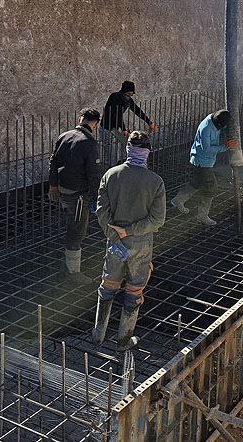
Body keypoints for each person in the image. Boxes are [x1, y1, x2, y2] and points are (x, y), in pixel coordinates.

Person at [91, 131, 166, 349]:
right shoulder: (155, 182)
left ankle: (98, 335)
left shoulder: (111, 175)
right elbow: (157, 220)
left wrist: (115, 234)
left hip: (114, 241)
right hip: (141, 244)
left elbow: (101, 211)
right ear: (147, 153)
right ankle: (123, 340)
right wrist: (131, 230)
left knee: (107, 286)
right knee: (134, 290)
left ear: (128, 150)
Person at [48, 108, 102, 285]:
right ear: (95, 124)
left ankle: (68, 264)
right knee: (76, 231)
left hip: (63, 189)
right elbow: (93, 175)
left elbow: (53, 162)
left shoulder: (64, 136)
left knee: (72, 226)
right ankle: (72, 272)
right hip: (78, 194)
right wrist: (97, 198)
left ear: (81, 119)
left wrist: (53, 186)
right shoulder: (89, 142)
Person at [169, 110, 240, 226]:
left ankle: (178, 200)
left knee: (196, 183)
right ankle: (202, 216)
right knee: (211, 189)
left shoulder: (214, 119)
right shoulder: (206, 128)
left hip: (200, 160)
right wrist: (225, 147)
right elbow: (206, 149)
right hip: (202, 162)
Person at [100, 81, 158, 166]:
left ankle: (115, 168)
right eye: (128, 94)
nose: (129, 96)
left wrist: (149, 122)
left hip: (115, 128)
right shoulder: (114, 97)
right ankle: (110, 172)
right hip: (107, 127)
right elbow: (117, 114)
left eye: (131, 94)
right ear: (123, 92)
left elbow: (137, 110)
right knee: (109, 153)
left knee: (116, 152)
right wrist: (123, 129)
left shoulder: (128, 100)